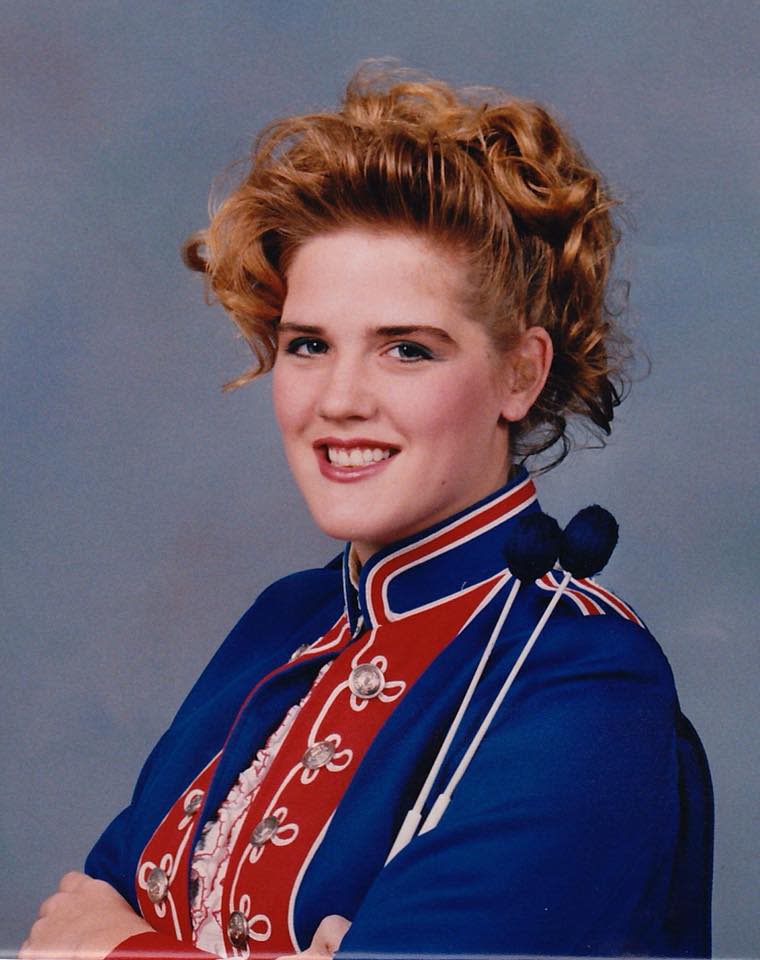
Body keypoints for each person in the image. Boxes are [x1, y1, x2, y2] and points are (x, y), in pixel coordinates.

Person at [21, 65, 712, 960]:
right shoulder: (284, 624)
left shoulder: (583, 679)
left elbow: (84, 936)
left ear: (520, 374)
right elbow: (80, 904)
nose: (339, 399)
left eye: (407, 351)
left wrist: (116, 950)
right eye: (309, 345)